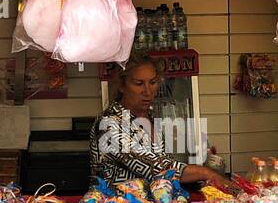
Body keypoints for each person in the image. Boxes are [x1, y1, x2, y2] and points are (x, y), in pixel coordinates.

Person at [90, 53, 234, 191]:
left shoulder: (150, 117)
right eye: (139, 83)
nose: (148, 91)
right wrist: (207, 173)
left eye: (153, 82)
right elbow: (157, 167)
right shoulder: (109, 124)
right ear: (122, 86)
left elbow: (165, 167)